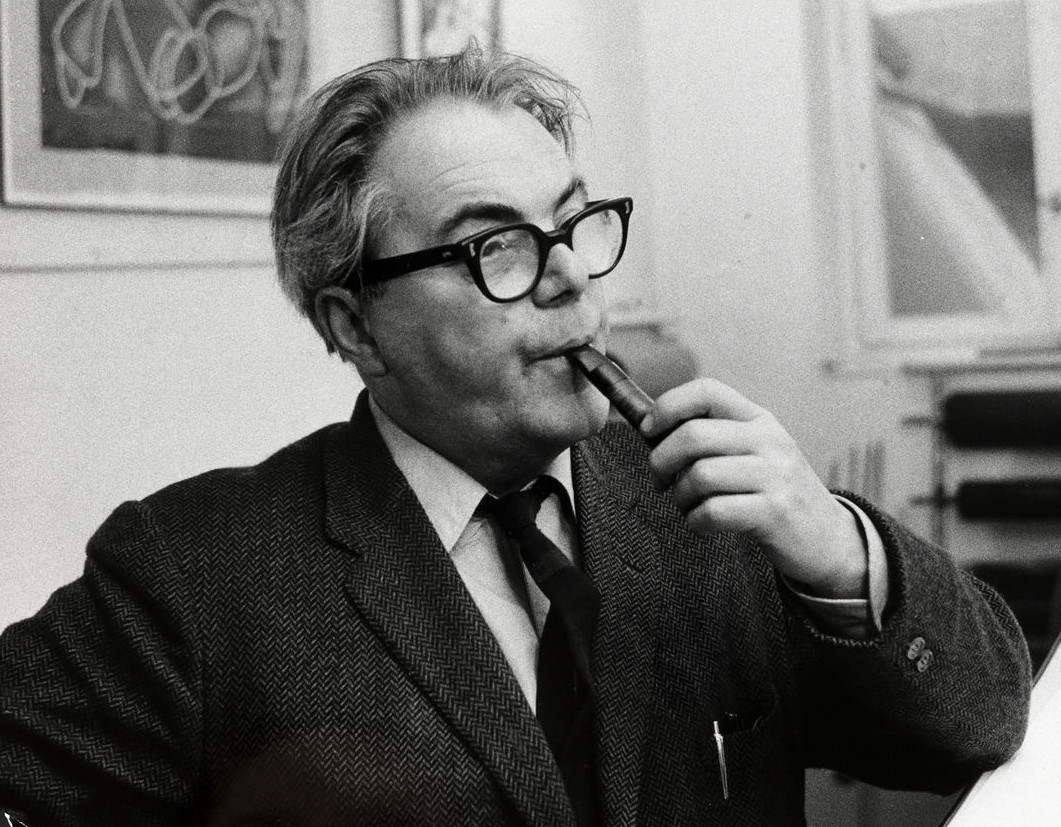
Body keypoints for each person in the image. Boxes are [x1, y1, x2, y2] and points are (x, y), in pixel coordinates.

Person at [0, 46, 1031, 826]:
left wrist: (836, 549)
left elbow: (979, 723)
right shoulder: (193, 575)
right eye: (497, 245)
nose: (572, 276)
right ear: (355, 326)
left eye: (575, 222)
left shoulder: (711, 508)